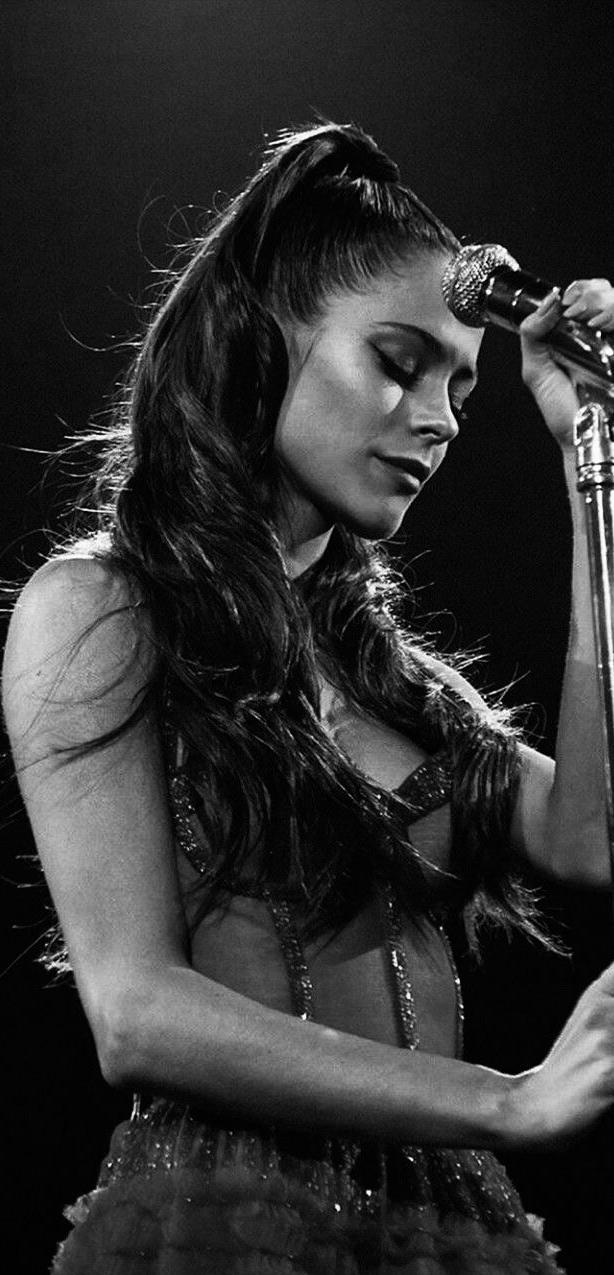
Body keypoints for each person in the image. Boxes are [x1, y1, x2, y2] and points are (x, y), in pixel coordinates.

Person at [3, 119, 614, 1275]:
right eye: (397, 362)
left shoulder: (396, 684)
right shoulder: (98, 611)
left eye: (460, 388)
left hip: (445, 1235)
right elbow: (134, 1012)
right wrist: (506, 1100)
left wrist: (591, 461)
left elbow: (593, 834)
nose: (439, 418)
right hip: (222, 1227)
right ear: (258, 343)